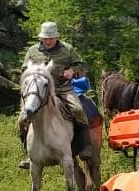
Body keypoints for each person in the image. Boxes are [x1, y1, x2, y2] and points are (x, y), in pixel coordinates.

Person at [18, 21, 89, 170]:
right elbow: (24, 69)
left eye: (51, 38)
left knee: (78, 111)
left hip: (62, 89)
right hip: (39, 92)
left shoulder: (68, 49)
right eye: (45, 38)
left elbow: (81, 65)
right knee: (22, 118)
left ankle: (85, 147)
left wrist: (73, 71)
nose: (48, 41)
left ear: (56, 37)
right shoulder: (32, 51)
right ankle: (28, 153)